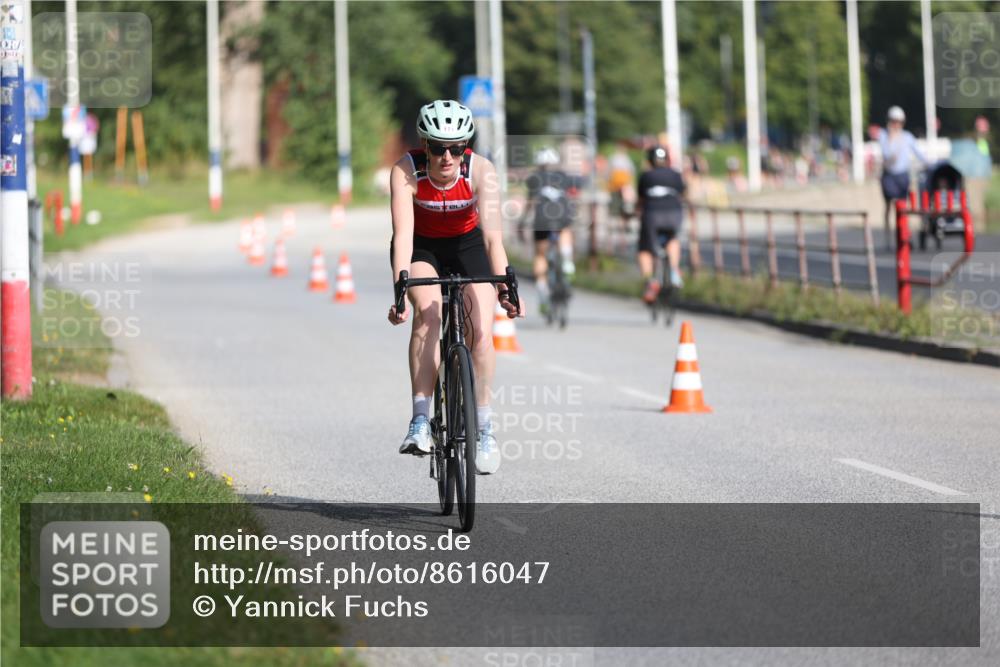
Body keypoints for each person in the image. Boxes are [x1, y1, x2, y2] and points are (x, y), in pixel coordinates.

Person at [388, 100, 519, 475]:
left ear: (466, 147)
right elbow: (403, 237)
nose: (447, 157)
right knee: (428, 314)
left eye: (457, 148)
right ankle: (420, 421)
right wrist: (400, 293)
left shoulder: (482, 170)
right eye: (438, 147)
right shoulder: (405, 171)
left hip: (468, 245)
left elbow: (493, 240)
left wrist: (506, 290)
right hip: (423, 246)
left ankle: (485, 428)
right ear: (424, 145)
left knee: (480, 329)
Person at [520, 147, 580, 313]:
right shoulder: (565, 176)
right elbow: (573, 196)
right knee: (565, 230)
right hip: (562, 216)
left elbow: (530, 203)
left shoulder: (534, 178)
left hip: (542, 220)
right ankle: (567, 262)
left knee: (540, 255)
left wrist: (522, 222)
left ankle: (542, 292)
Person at [636, 145, 687, 302]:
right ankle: (674, 272)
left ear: (650, 160)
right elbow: (683, 194)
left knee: (644, 249)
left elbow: (640, 199)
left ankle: (650, 283)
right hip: (674, 214)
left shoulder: (646, 176)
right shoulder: (675, 174)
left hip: (652, 216)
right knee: (673, 238)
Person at [871, 106, 930, 234]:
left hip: (903, 176)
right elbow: (887, 155)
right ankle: (888, 234)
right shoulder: (883, 135)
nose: (896, 124)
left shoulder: (907, 137)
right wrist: (891, 138)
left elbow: (919, 153)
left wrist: (929, 164)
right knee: (889, 205)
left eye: (898, 122)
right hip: (889, 176)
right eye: (894, 121)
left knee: (903, 205)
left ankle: (903, 232)